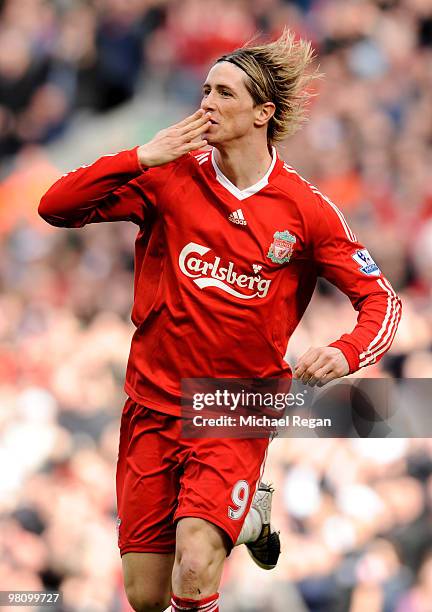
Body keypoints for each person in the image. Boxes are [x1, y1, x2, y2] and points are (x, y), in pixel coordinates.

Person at [38, 29, 402, 612]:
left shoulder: (304, 209)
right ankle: (252, 519)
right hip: (151, 403)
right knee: (146, 595)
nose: (206, 102)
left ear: (263, 113)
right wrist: (139, 157)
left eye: (224, 94)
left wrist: (346, 350)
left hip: (235, 406)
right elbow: (54, 206)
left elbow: (382, 301)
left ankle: (232, 511)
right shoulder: (167, 177)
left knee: (196, 562)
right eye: (205, 90)